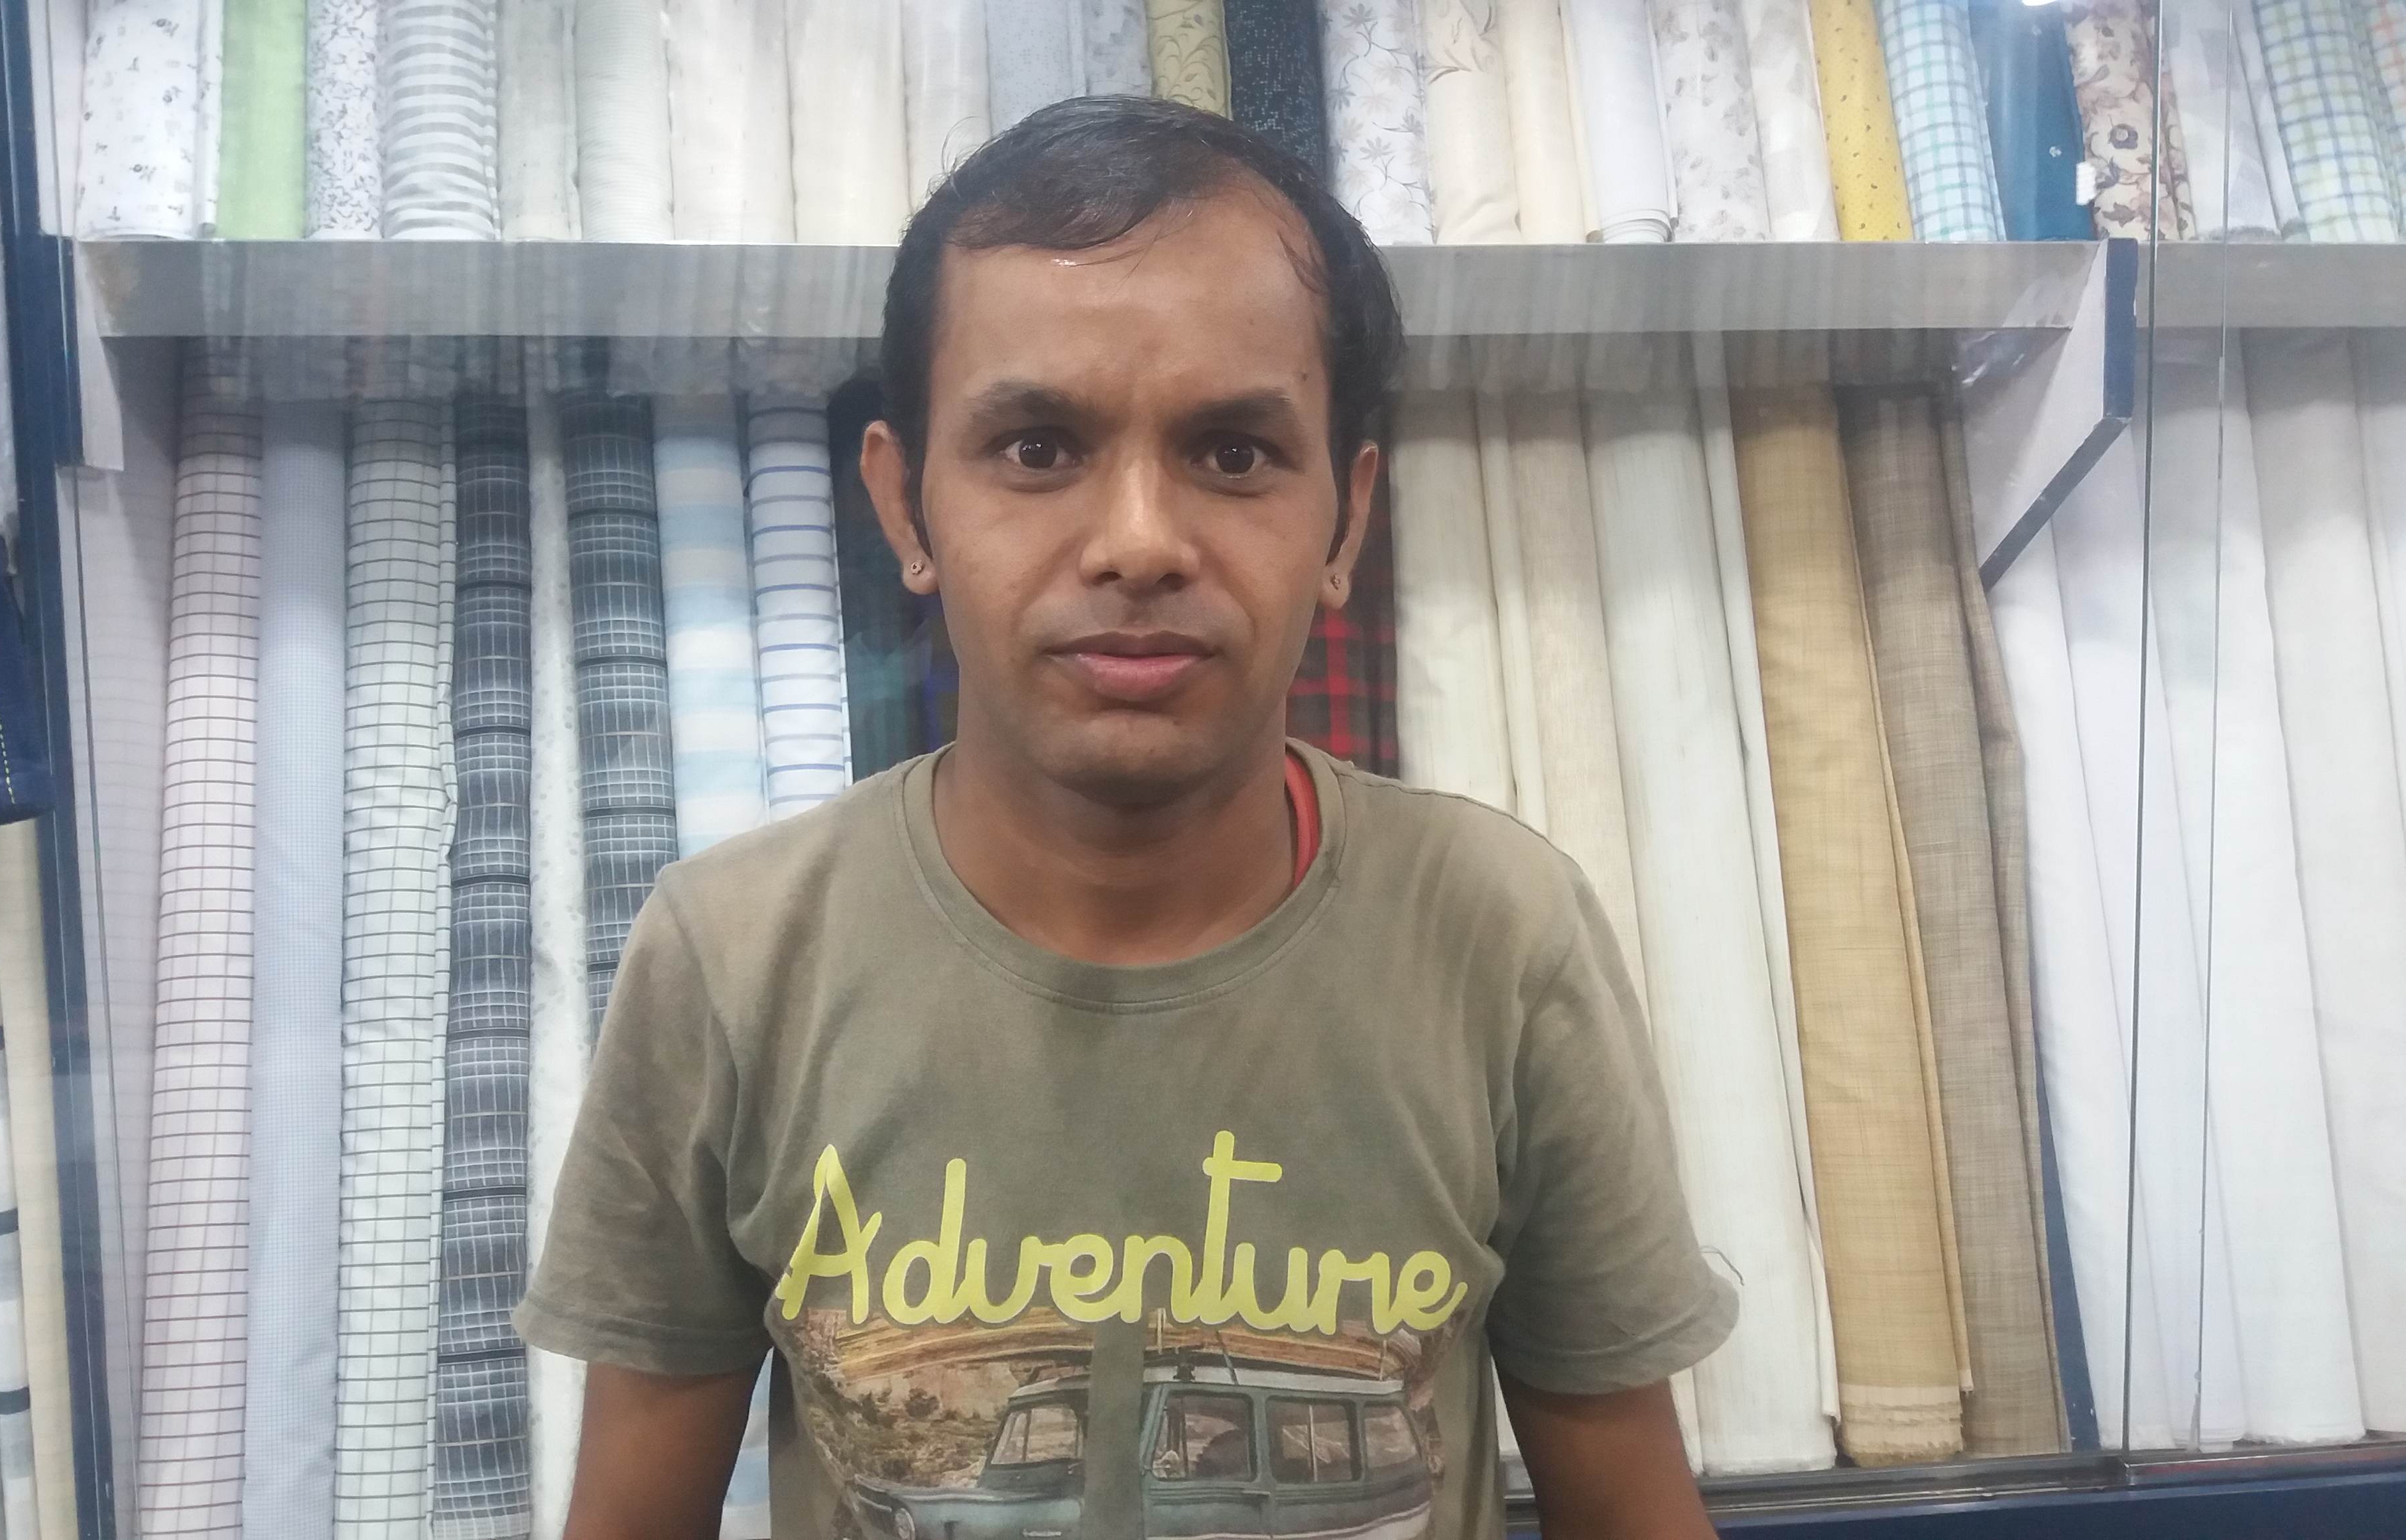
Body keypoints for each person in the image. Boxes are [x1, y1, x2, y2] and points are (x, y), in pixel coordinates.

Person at [514, 96, 1735, 1540]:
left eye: (1234, 453)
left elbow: (1633, 1503)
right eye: (1037, 448)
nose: (1140, 543)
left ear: (1346, 521)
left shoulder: (1497, 938)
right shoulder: (732, 958)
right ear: (904, 508)